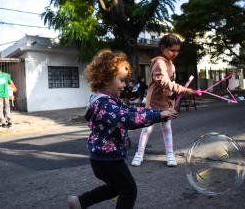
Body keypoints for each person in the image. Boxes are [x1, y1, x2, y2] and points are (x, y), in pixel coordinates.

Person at [67, 49, 178, 209]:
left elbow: (133, 111)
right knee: (129, 190)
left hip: (103, 158)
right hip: (107, 159)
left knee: (115, 188)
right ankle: (80, 202)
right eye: (121, 80)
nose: (125, 85)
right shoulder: (104, 104)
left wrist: (159, 112)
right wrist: (157, 117)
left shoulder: (109, 101)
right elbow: (128, 119)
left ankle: (79, 202)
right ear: (106, 79)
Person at [131, 34, 196, 167]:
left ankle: (170, 155)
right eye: (172, 50)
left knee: (167, 128)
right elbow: (164, 82)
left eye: (177, 50)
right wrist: (182, 89)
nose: (175, 53)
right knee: (147, 129)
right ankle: (139, 154)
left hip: (166, 104)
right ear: (162, 48)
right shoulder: (159, 63)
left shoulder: (171, 64)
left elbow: (170, 85)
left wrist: (176, 95)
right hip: (153, 103)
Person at [0, 63, 16, 128]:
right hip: (6, 94)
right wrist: (13, 88)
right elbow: (11, 82)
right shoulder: (6, 75)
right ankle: (9, 122)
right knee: (7, 108)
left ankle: (3, 123)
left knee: (0, 109)